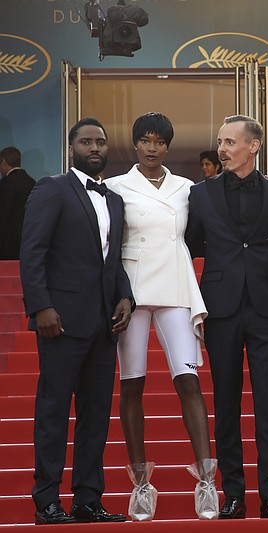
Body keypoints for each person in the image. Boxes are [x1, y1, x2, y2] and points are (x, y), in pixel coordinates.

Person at [185, 115, 268, 520]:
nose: (222, 148)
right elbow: (190, 248)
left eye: (230, 142)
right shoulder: (200, 195)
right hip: (219, 306)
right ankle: (233, 494)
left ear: (253, 146)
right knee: (226, 401)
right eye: (219, 141)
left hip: (264, 305)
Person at [105, 112, 218, 521]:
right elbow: (110, 242)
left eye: (159, 142)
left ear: (168, 146)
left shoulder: (187, 188)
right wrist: (116, 292)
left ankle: (206, 481)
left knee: (188, 381)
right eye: (145, 141)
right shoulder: (115, 187)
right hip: (131, 292)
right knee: (132, 384)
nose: (153, 148)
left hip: (175, 286)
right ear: (135, 144)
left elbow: (198, 235)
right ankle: (140, 485)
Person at [20, 118, 133, 524]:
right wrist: (40, 307)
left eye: (100, 141)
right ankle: (47, 502)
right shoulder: (52, 188)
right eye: (86, 141)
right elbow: (32, 251)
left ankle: (88, 499)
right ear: (72, 148)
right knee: (53, 413)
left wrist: (125, 296)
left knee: (95, 415)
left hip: (104, 324)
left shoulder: (115, 200)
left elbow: (112, 260)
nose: (95, 147)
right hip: (60, 321)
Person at [0, 146, 36, 259]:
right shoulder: (32, 183)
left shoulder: (6, 183)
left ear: (4, 162)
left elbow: (3, 217)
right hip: (28, 242)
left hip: (7, 245)